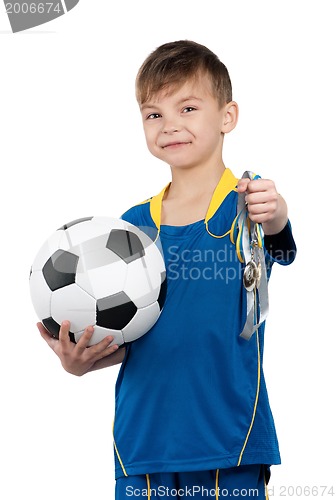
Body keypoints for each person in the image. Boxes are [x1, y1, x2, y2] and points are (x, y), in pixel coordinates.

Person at [37, 40, 296, 499]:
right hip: (143, 445)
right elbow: (134, 338)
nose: (170, 125)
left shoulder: (247, 205)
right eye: (154, 114)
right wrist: (83, 360)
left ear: (227, 117)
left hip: (228, 443)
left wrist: (274, 209)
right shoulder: (130, 230)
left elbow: (276, 229)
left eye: (188, 107)